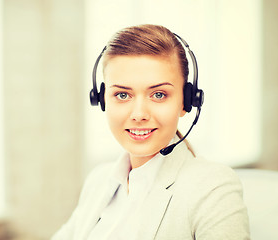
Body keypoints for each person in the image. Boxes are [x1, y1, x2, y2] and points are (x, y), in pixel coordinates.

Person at [52, 24, 250, 240]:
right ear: (101, 100)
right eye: (122, 95)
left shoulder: (212, 187)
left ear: (187, 101)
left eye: (158, 95)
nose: (139, 114)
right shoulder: (98, 181)